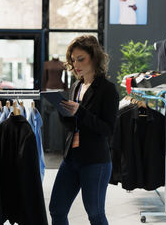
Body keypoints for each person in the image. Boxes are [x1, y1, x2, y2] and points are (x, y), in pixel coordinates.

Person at [49, 35, 119, 225]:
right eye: (73, 60)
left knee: (95, 214)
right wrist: (64, 113)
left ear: (94, 58)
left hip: (95, 161)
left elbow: (107, 129)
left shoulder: (108, 90)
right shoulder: (76, 86)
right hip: (71, 157)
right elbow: (74, 126)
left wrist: (80, 112)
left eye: (81, 59)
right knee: (57, 209)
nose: (76, 64)